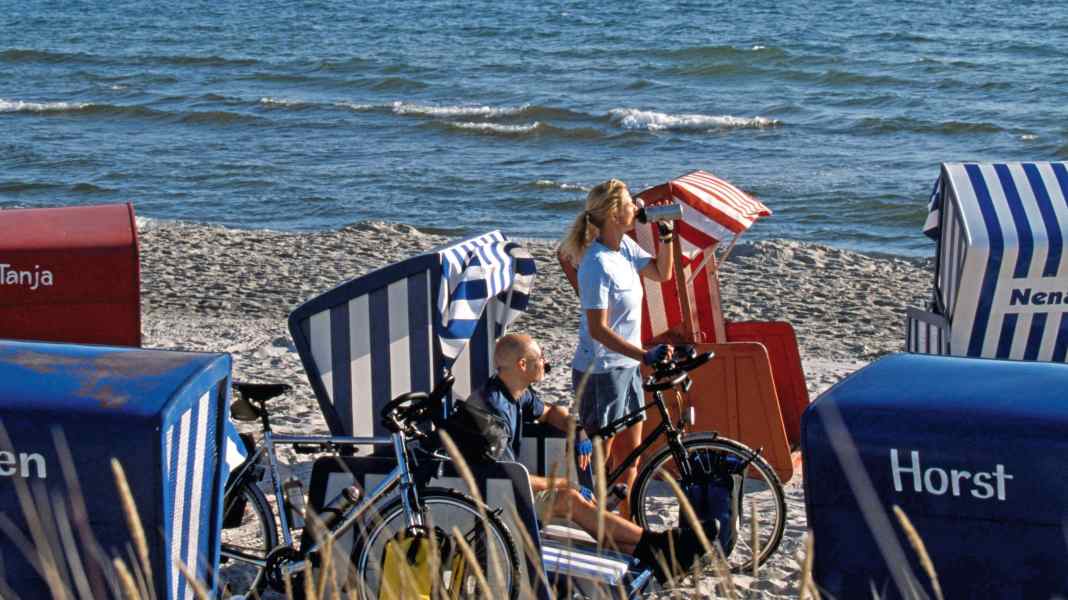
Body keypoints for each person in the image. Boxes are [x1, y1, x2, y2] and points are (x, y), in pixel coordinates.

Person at [468, 332, 706, 582]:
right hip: (489, 497)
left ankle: (660, 553)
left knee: (581, 503)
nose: (545, 362)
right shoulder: (493, 410)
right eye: (539, 357)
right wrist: (563, 484)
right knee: (570, 497)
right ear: (522, 365)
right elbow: (507, 475)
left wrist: (577, 431)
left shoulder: (515, 391)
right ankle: (662, 545)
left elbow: (549, 412)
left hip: (502, 487)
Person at [557, 178, 674, 518]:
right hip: (601, 371)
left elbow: (662, 274)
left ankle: (626, 519)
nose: (636, 208)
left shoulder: (623, 249)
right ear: (612, 213)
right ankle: (594, 521)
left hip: (628, 366)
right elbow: (598, 330)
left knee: (631, 455)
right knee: (599, 459)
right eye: (629, 204)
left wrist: (665, 237)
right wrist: (644, 355)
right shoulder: (595, 264)